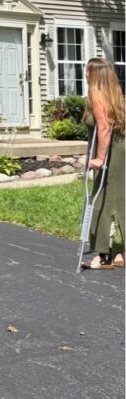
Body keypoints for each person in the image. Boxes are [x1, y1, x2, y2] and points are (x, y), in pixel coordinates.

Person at [80, 57, 125, 270]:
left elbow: (104, 128)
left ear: (95, 73)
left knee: (103, 201)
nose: (84, 73)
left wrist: (99, 158)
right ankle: (122, 255)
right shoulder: (113, 93)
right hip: (120, 149)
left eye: (87, 69)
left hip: (112, 154)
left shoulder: (97, 95)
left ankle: (104, 257)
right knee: (120, 199)